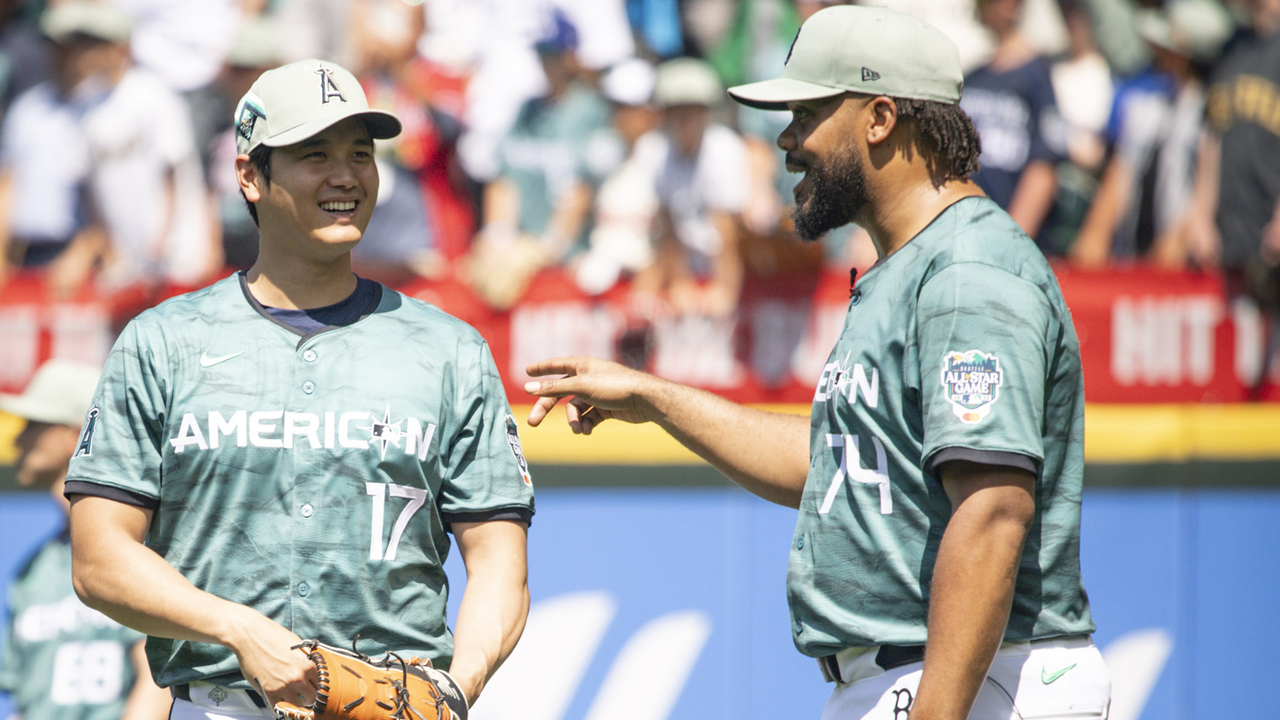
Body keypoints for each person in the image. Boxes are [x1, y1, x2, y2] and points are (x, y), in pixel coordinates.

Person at [524, 6, 1109, 720]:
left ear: (880, 117)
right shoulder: (911, 265)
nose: (787, 139)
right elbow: (836, 465)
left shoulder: (968, 270)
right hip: (926, 676)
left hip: (978, 678)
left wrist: (934, 713)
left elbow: (992, 509)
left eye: (806, 114)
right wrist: (656, 399)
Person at [63, 59, 534, 714]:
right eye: (316, 155)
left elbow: (497, 559)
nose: (346, 176)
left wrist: (461, 682)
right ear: (251, 176)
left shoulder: (450, 351)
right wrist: (238, 629)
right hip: (219, 702)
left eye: (360, 154)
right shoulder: (161, 342)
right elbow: (98, 557)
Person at [0, 359, 172, 720]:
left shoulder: (135, 552)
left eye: (34, 425)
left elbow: (159, 684)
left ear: (76, 434)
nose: (17, 438)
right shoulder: (35, 567)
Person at [960, 0, 1068, 246]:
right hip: (962, 232)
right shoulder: (973, 77)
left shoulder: (1037, 76)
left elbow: (1044, 167)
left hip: (1008, 238)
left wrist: (1011, 243)